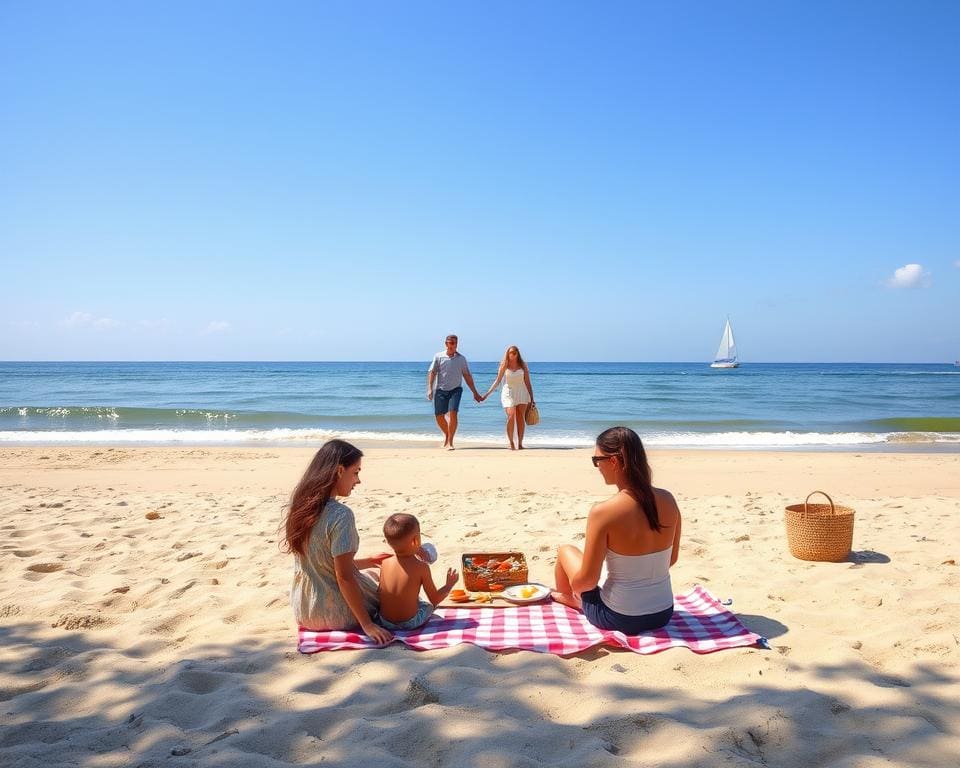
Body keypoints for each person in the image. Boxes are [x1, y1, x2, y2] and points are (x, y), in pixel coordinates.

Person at [552, 426, 682, 634]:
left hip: (619, 617)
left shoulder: (604, 511)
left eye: (597, 460)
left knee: (565, 551)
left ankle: (571, 599)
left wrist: (576, 587)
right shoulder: (668, 500)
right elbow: (670, 560)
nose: (597, 467)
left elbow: (587, 581)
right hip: (662, 613)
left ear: (613, 461)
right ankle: (574, 599)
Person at [283, 439, 393, 645]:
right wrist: (367, 624)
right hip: (336, 615)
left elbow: (323, 564)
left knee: (370, 573)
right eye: (356, 472)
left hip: (305, 611)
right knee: (385, 586)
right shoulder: (341, 515)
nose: (358, 481)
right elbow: (344, 577)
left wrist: (369, 560)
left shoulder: (300, 507)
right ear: (340, 470)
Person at [376, 513, 459, 631]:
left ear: (388, 542)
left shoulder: (385, 563)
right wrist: (449, 585)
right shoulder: (421, 567)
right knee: (428, 606)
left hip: (384, 622)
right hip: (409, 623)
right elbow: (435, 599)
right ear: (415, 540)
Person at [426, 334, 482, 450]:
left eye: (454, 343)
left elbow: (467, 376)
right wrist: (430, 388)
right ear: (445, 344)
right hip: (441, 390)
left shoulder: (461, 359)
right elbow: (432, 372)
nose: (451, 345)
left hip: (456, 390)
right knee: (439, 416)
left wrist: (475, 392)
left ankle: (450, 442)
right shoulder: (438, 356)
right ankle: (447, 434)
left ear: (457, 345)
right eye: (449, 343)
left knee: (453, 412)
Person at [481, 345, 535, 450]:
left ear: (517, 354)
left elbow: (528, 382)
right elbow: (497, 381)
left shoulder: (523, 365)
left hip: (522, 392)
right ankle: (511, 443)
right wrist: (487, 394)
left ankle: (520, 443)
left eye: (515, 353)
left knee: (520, 418)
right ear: (508, 354)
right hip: (508, 392)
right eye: (511, 353)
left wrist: (532, 398)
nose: (513, 355)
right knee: (511, 414)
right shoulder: (504, 365)